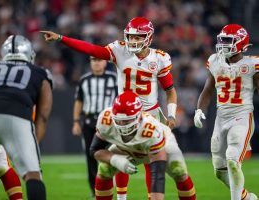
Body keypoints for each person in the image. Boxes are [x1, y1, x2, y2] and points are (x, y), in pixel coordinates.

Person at [41, 16, 195, 200]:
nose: (133, 41)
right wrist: (61, 38)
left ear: (149, 38)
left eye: (138, 37)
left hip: (150, 115)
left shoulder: (159, 59)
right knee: (120, 153)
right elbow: (92, 49)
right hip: (124, 113)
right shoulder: (120, 50)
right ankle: (122, 198)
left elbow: (170, 91)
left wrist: (170, 115)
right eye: (130, 36)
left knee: (152, 161)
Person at [89, 91, 194, 200]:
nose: (122, 126)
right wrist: (115, 159)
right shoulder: (106, 119)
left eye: (126, 121)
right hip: (127, 148)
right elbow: (94, 150)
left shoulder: (151, 130)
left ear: (139, 117)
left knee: (179, 172)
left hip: (163, 145)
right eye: (119, 121)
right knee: (104, 168)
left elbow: (157, 175)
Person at [194, 24, 258, 200]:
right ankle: (247, 198)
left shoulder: (252, 64)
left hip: (242, 116)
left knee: (232, 159)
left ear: (241, 43)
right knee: (219, 170)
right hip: (221, 118)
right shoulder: (215, 60)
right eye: (222, 40)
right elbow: (208, 89)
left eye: (228, 40)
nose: (223, 44)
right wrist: (199, 109)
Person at [0, 35, 53, 200]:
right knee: (32, 174)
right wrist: (32, 147)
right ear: (30, 54)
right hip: (14, 115)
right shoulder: (40, 73)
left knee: (1, 166)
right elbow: (43, 115)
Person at [72, 56, 117, 197]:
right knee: (90, 156)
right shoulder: (84, 80)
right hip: (89, 122)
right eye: (93, 60)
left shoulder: (114, 78)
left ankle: (110, 186)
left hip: (109, 122)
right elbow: (79, 101)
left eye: (99, 60)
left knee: (110, 154)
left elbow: (120, 98)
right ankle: (94, 191)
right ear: (90, 62)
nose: (96, 63)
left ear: (105, 62)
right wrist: (75, 121)